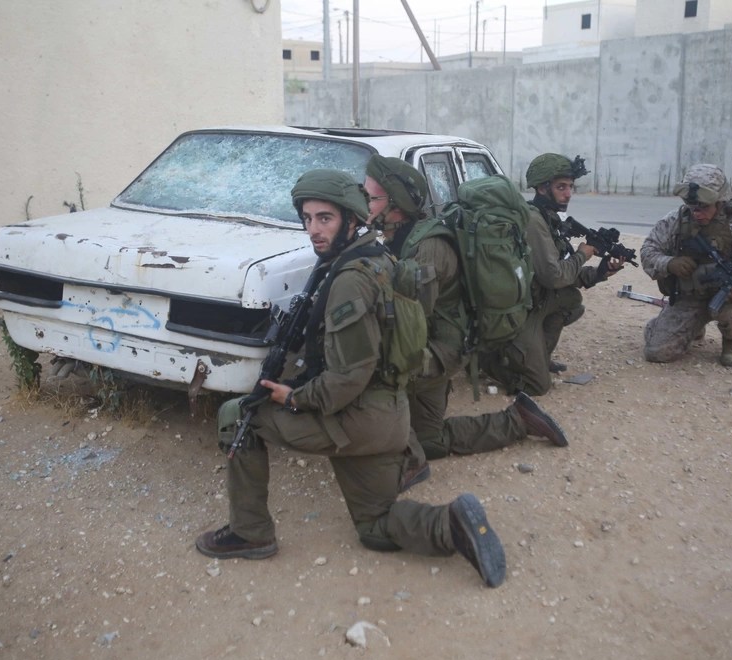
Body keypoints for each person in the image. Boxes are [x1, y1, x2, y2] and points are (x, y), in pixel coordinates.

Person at [197, 169, 506, 588]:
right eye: (307, 219)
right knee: (375, 526)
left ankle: (249, 533)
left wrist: (293, 398)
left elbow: (347, 378)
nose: (313, 230)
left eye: (325, 218)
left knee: (238, 414)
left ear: (352, 219)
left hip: (357, 417)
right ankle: (450, 524)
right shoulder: (380, 260)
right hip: (390, 417)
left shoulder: (348, 281)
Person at [363, 156, 570, 491]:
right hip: (444, 343)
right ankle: (517, 419)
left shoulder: (425, 251)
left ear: (396, 204)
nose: (365, 203)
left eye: (372, 197)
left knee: (368, 372)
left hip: (440, 352)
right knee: (430, 440)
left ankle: (405, 463)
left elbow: (406, 332)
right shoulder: (406, 237)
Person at [480, 152, 623, 397]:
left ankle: (538, 357)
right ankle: (491, 361)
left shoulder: (548, 217)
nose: (568, 193)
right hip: (519, 309)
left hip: (536, 299)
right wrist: (583, 254)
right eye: (561, 187)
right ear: (542, 188)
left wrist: (600, 272)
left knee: (571, 302)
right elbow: (555, 277)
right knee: (538, 386)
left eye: (570, 187)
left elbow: (563, 272)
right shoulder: (534, 221)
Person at [640, 163, 732, 366]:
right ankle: (691, 327)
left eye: (704, 207)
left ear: (720, 202)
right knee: (656, 352)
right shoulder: (674, 221)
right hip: (690, 297)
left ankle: (731, 342)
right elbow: (648, 251)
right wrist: (669, 263)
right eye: (692, 206)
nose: (696, 213)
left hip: (728, 300)